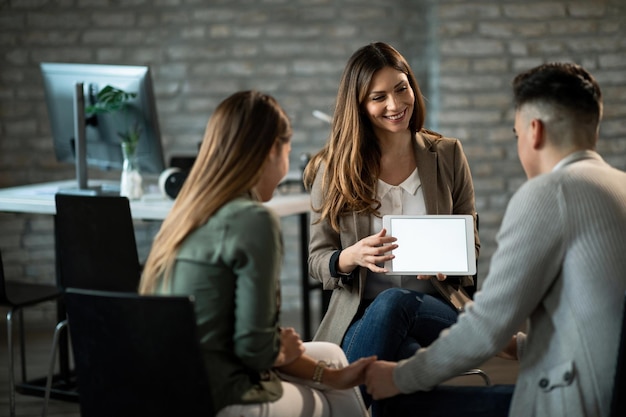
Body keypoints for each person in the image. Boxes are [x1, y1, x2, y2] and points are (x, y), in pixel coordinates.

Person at [365, 62, 626, 417]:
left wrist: (399, 377)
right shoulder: (619, 186)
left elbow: (486, 329)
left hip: (571, 404)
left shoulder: (550, 191)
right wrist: (520, 346)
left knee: (396, 404)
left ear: (534, 132)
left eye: (517, 135)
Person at [139, 90, 375, 417]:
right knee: (333, 404)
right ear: (271, 151)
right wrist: (277, 348)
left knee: (331, 353)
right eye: (288, 151)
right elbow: (255, 350)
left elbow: (234, 329)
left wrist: (333, 375)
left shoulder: (186, 213)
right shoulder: (254, 220)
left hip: (169, 386)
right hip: (221, 395)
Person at [302, 42, 479, 412]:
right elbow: (318, 260)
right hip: (363, 314)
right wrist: (350, 256)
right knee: (402, 362)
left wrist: (453, 263)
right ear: (359, 105)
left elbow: (472, 245)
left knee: (397, 301)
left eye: (402, 88)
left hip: (437, 306)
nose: (396, 105)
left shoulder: (446, 155)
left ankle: (338, 408)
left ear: (412, 86)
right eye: (378, 97)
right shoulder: (333, 168)